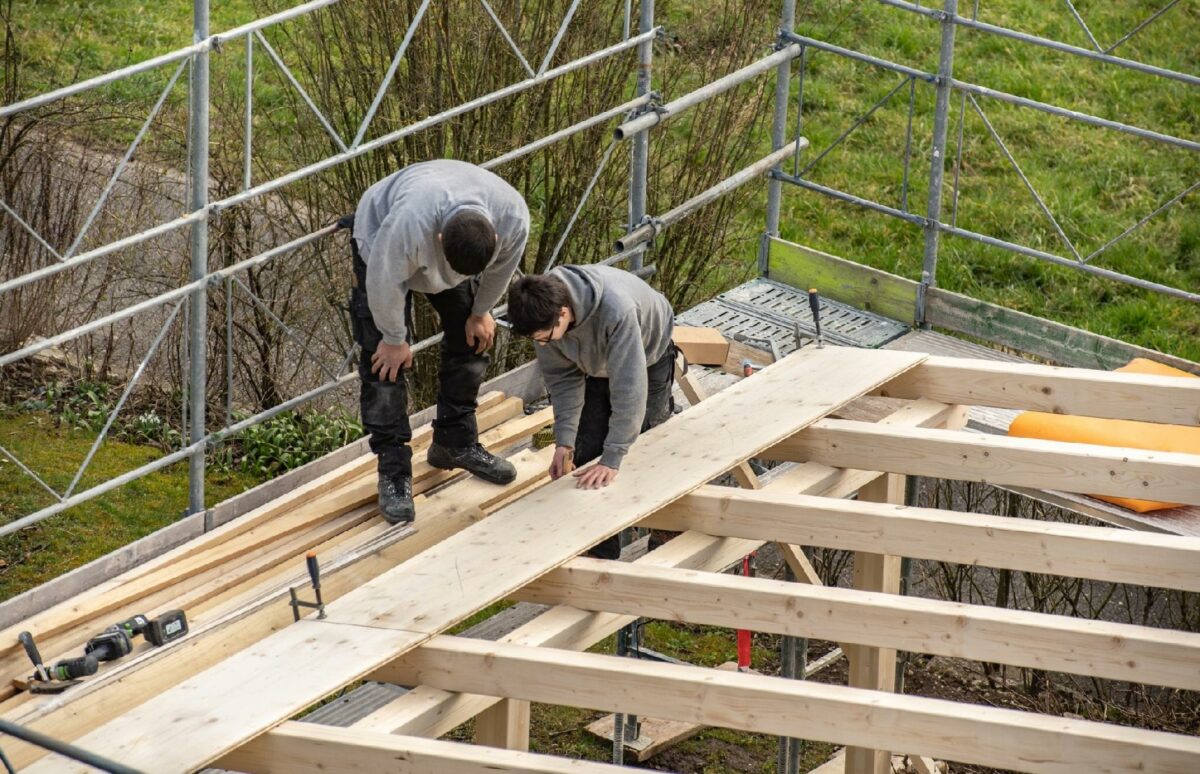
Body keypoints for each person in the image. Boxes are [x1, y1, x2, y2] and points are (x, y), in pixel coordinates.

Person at [345, 160, 529, 525]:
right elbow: (383, 280)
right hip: (381, 240)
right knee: (384, 362)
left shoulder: (512, 219)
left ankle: (454, 443)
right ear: (441, 240)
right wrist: (394, 339)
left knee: (472, 337)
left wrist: (480, 311)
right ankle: (394, 473)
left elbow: (502, 269)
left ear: (493, 239)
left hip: (446, 234)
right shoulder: (406, 226)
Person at [506, 264, 677, 559]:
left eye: (545, 337)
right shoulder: (543, 314)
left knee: (644, 451)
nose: (543, 344)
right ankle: (600, 555)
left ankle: (667, 537)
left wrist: (613, 457)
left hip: (648, 355)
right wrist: (564, 442)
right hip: (597, 363)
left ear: (563, 313)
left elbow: (630, 390)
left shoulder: (617, 312)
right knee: (587, 458)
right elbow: (563, 383)